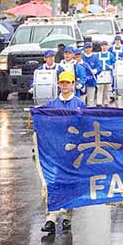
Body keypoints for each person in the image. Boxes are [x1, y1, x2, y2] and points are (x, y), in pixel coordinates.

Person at [41, 71, 86, 234]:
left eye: (68, 83)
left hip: (73, 153)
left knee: (70, 184)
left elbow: (85, 127)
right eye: (62, 83)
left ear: (73, 84)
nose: (65, 85)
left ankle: (67, 217)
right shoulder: (52, 104)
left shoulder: (79, 104)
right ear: (59, 84)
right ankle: (51, 218)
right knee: (53, 183)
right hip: (55, 151)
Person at [81, 42, 102, 107]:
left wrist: (96, 70)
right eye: (86, 48)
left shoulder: (95, 57)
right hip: (83, 82)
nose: (88, 49)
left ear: (92, 48)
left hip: (91, 81)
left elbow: (99, 67)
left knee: (91, 100)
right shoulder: (82, 56)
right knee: (82, 100)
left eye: (89, 47)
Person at [97, 41, 116, 107]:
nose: (104, 47)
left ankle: (106, 102)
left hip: (108, 73)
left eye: (105, 45)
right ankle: (99, 103)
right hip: (100, 73)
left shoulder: (110, 55)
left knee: (107, 89)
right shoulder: (98, 55)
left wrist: (112, 66)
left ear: (107, 46)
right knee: (100, 88)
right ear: (101, 46)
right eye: (102, 45)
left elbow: (114, 62)